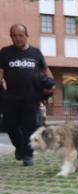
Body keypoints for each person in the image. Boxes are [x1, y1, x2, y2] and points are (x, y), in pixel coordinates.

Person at [0, 24, 54, 166]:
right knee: (10, 125)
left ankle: (27, 155)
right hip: (10, 97)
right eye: (14, 36)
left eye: (20, 35)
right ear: (11, 36)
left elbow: (45, 70)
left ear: (26, 35)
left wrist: (51, 84)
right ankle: (20, 147)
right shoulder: (5, 52)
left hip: (32, 97)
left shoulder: (35, 53)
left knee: (29, 127)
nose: (17, 38)